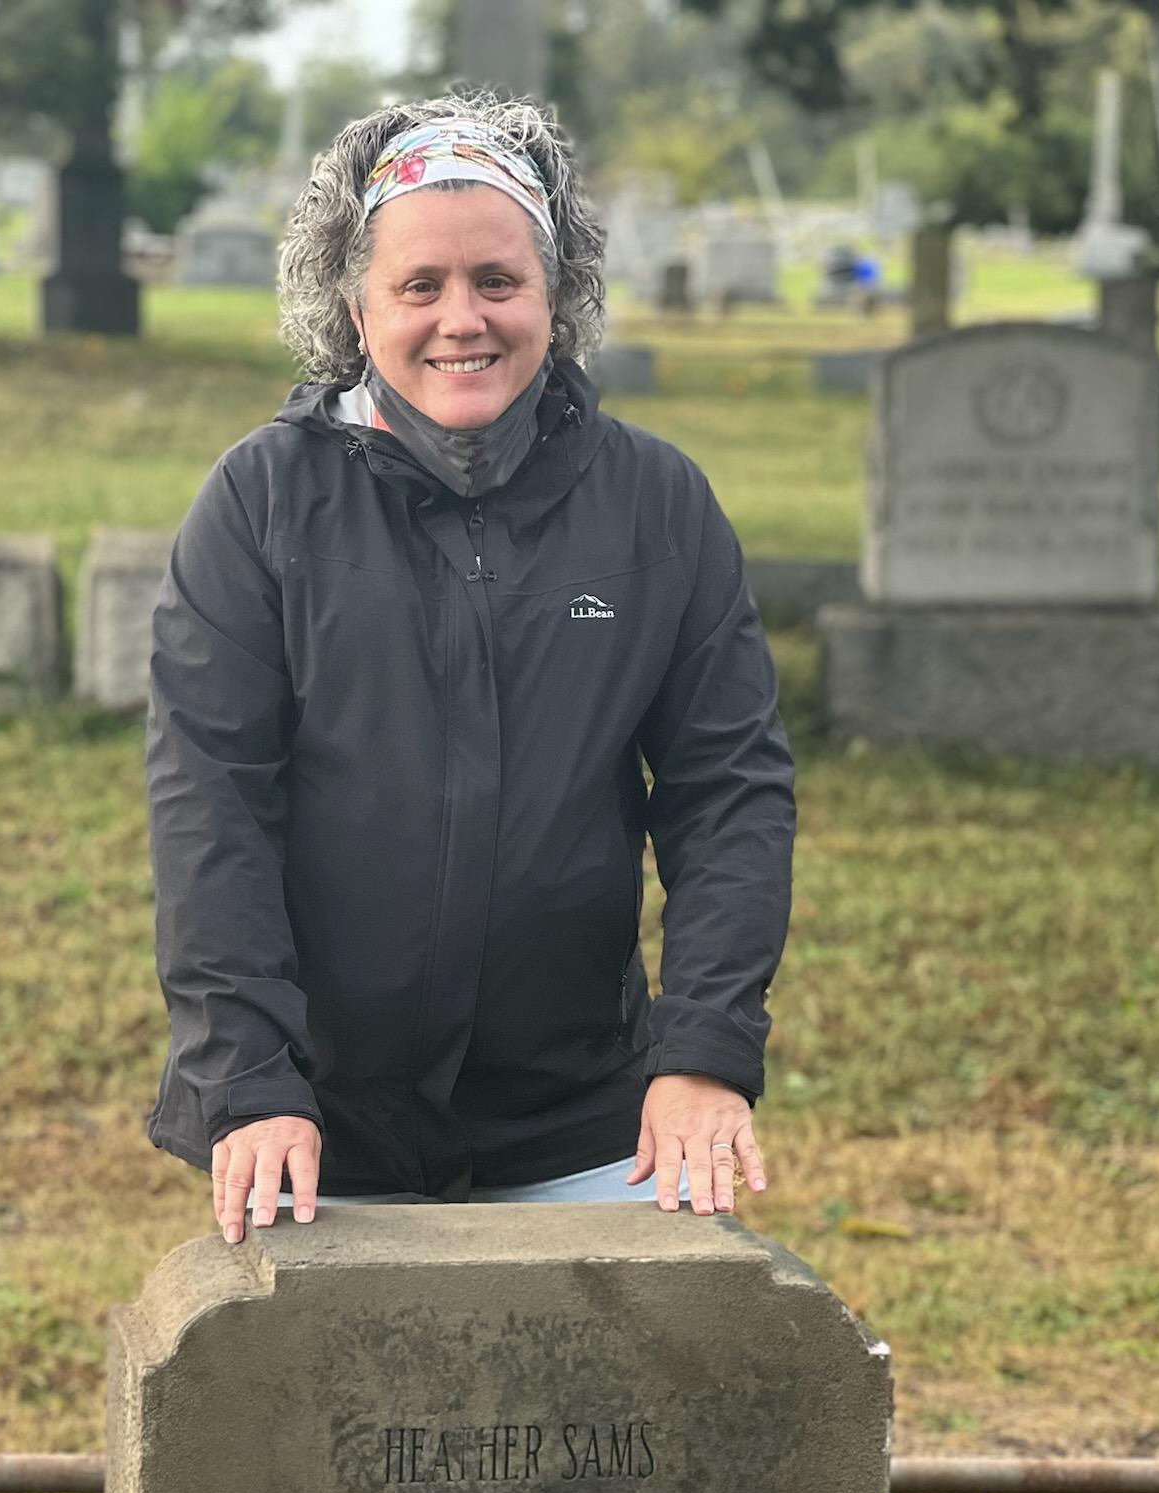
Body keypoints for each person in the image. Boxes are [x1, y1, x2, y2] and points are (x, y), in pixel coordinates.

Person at [144, 92, 795, 1244]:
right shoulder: (260, 504)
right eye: (420, 287)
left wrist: (703, 1052)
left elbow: (727, 791)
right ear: (355, 305)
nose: (463, 321)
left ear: (557, 296)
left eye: (498, 282)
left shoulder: (658, 506)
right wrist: (249, 1078)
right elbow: (211, 804)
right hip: (316, 1123)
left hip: (591, 1122)